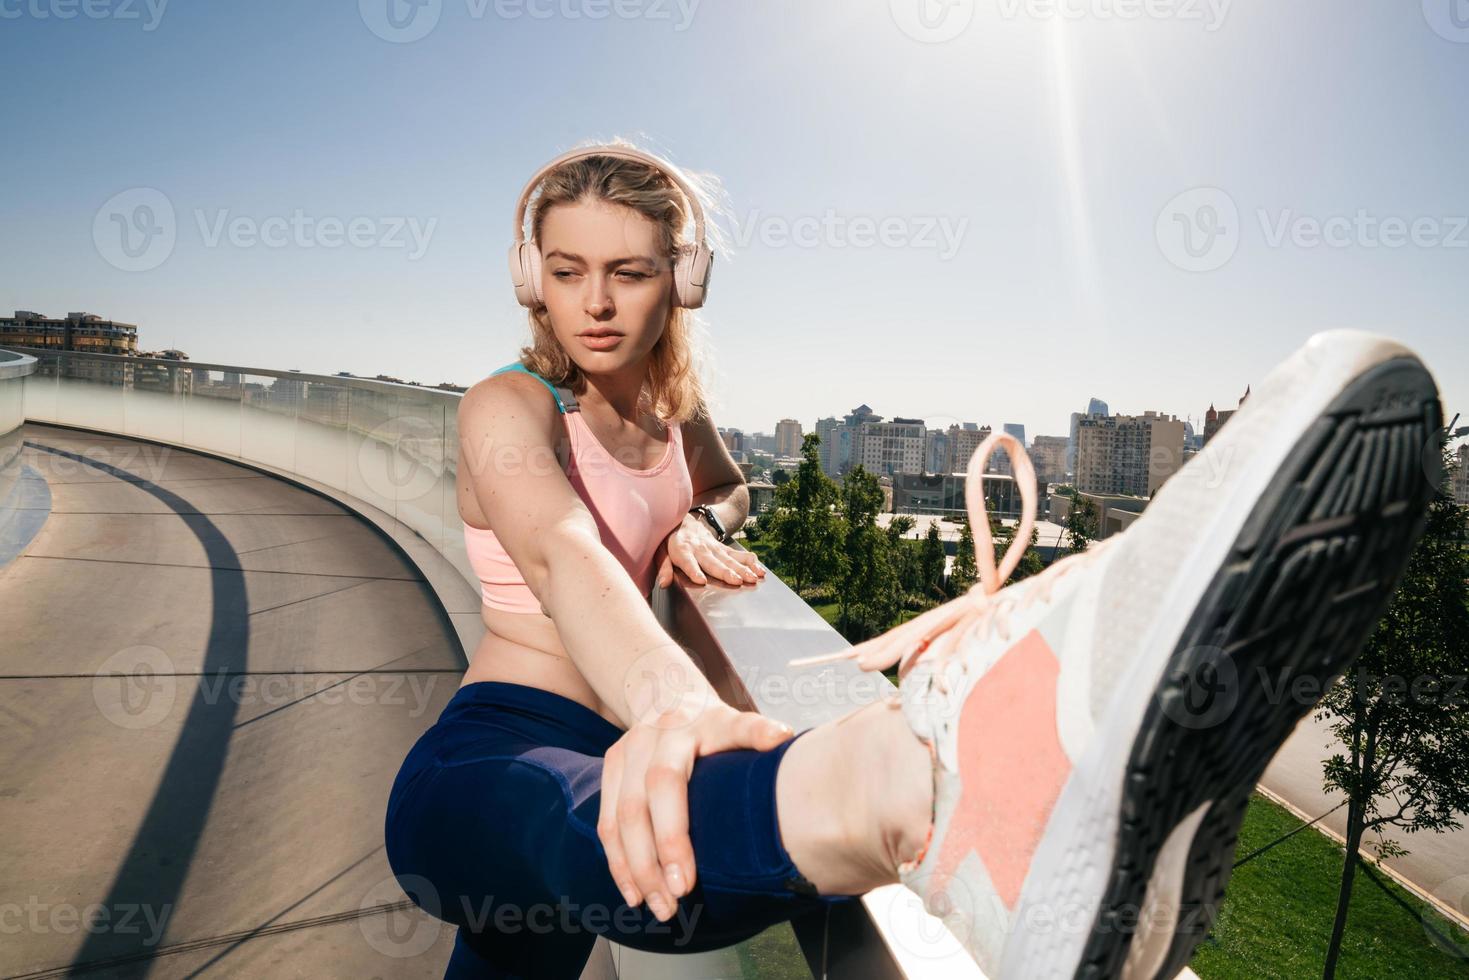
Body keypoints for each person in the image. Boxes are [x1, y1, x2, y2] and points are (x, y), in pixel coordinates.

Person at [383, 139, 1444, 979]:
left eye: (627, 271)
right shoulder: (508, 406)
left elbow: (726, 484)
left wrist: (699, 523)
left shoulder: (671, 414)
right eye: (567, 272)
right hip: (499, 752)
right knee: (640, 859)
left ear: (681, 281)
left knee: (517, 952)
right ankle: (921, 778)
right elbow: (564, 553)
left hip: (620, 741)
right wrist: (669, 700)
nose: (595, 303)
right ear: (534, 277)